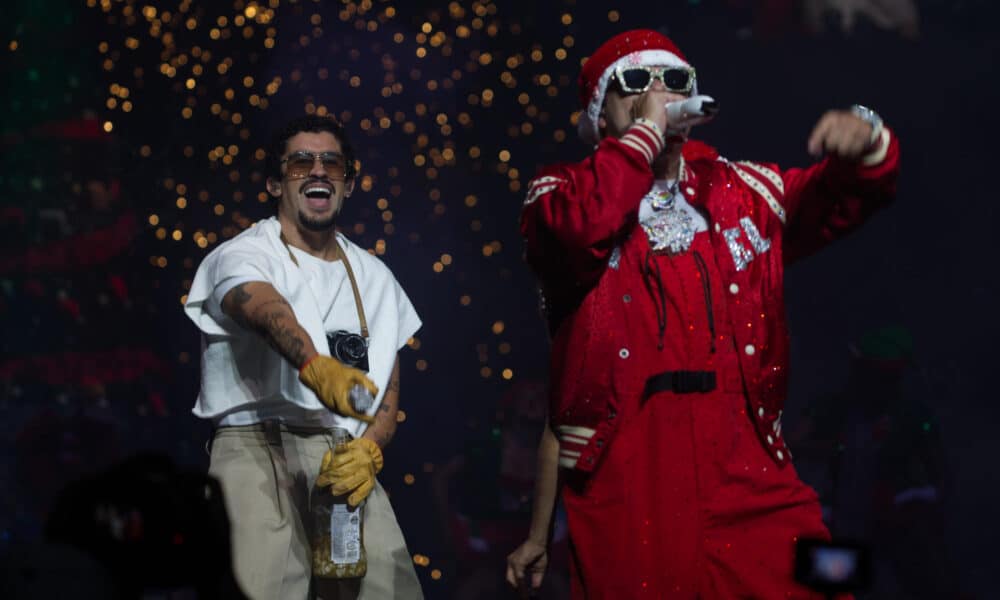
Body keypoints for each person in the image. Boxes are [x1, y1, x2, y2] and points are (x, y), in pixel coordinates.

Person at [506, 29, 899, 598]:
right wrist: (644, 134)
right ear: (600, 110)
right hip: (627, 467)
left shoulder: (745, 190)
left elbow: (848, 197)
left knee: (824, 580)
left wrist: (868, 139)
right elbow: (578, 229)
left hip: (747, 461)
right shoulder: (556, 191)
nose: (659, 92)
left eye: (675, 80)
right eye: (636, 82)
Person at [184, 115, 424, 599]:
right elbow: (260, 305)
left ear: (349, 183)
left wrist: (371, 449)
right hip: (257, 451)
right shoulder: (246, 253)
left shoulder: (376, 276)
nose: (318, 171)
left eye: (331, 163)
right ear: (276, 182)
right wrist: (315, 366)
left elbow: (388, 390)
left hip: (344, 462)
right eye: (300, 162)